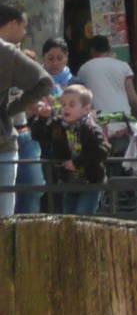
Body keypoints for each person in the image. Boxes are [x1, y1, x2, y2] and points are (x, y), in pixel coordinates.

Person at [0, 29, 53, 217]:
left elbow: (44, 82)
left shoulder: (5, 52)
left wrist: (11, 110)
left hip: (6, 142)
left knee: (5, 218)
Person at [44, 84, 110, 216]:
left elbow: (102, 149)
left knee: (83, 215)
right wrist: (42, 117)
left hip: (90, 181)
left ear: (86, 109)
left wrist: (77, 162)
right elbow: (41, 135)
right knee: (69, 216)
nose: (66, 108)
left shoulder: (91, 128)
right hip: (70, 181)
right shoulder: (60, 126)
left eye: (71, 105)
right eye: (63, 105)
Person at [73, 35, 137, 125]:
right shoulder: (123, 66)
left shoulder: (83, 69)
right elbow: (132, 97)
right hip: (122, 118)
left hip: (98, 120)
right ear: (109, 48)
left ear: (92, 50)